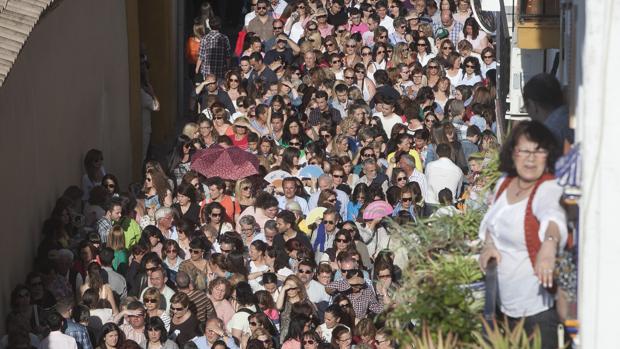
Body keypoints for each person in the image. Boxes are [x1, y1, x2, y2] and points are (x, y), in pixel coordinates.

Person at [478, 121, 566, 349]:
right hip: (504, 306)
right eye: (524, 150)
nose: (530, 158)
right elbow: (490, 224)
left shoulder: (547, 187)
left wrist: (549, 245)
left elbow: (553, 216)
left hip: (536, 313)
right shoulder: (504, 183)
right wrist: (488, 246)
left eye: (539, 151)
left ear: (548, 156)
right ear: (513, 153)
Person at [522, 73, 573, 147]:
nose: (528, 113)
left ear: (533, 105)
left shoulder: (548, 134)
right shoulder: (572, 118)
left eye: (526, 106)